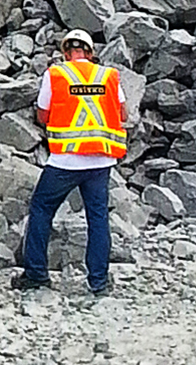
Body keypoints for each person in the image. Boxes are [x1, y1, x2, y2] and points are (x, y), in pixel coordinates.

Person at [12, 28, 126, 297]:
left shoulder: (56, 74)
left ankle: (36, 274)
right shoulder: (109, 75)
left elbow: (43, 114)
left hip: (65, 160)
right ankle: (98, 281)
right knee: (98, 218)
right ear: (90, 52)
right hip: (100, 159)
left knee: (41, 209)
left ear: (66, 53)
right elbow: (122, 111)